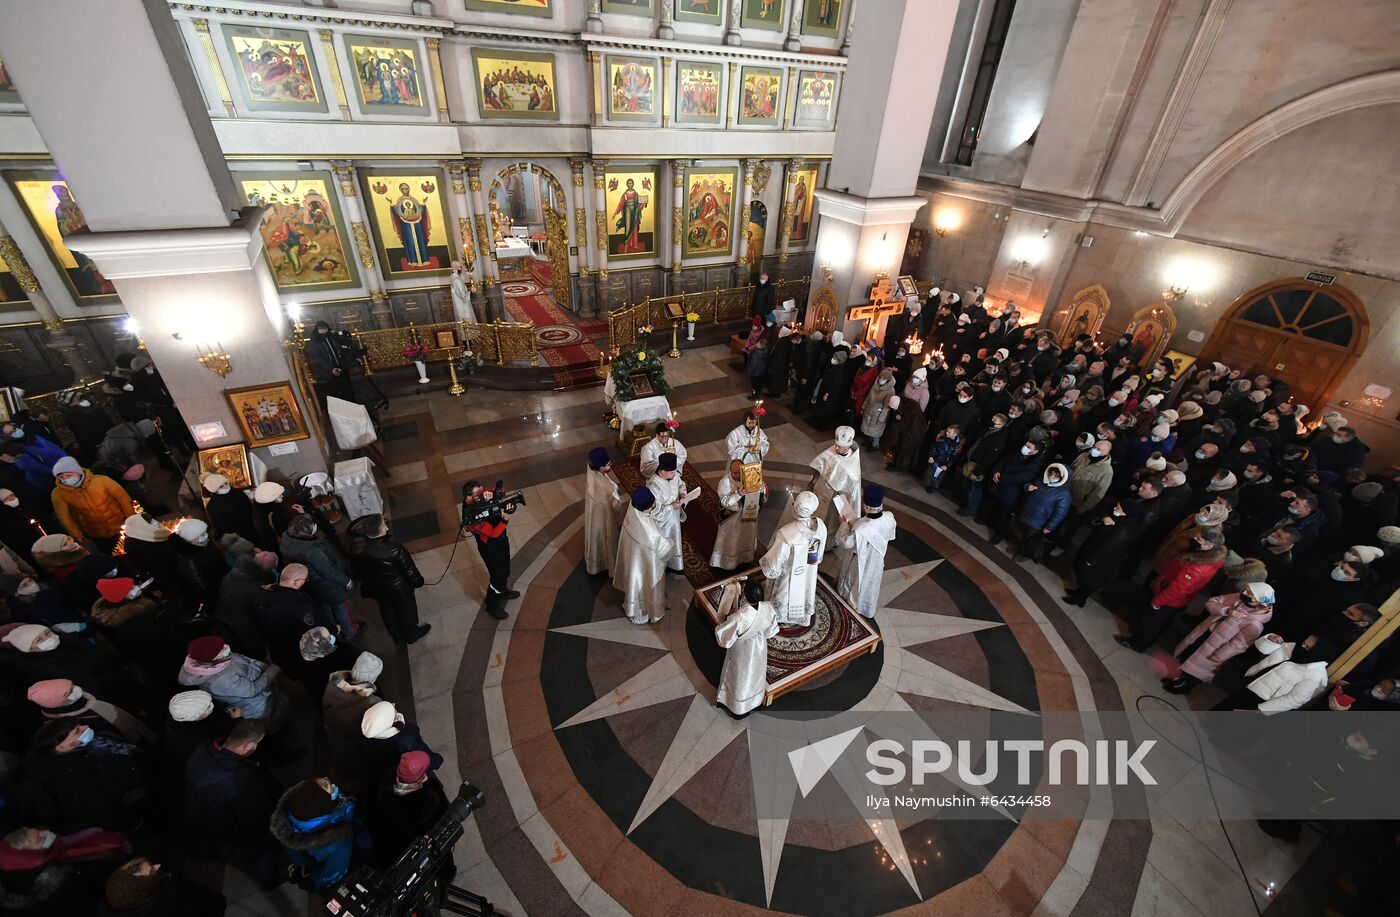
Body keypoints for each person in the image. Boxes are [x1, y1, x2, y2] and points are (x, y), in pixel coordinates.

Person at [180, 720, 281, 871]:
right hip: (234, 830)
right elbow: (253, 814)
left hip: (207, 822)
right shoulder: (238, 780)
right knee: (256, 853)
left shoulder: (203, 750)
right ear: (249, 746)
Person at [23, 719, 152, 832]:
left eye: (80, 725)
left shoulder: (90, 746)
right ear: (61, 747)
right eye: (77, 731)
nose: (85, 727)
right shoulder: (75, 781)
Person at [1118, 528, 1227, 652]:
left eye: (1198, 539)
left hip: (1169, 598)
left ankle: (1138, 644)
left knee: (1153, 623)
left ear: (1209, 545)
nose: (1194, 540)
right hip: (1172, 595)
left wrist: (1158, 601)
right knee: (1157, 622)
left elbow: (1178, 588)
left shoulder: (1199, 566)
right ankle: (1144, 637)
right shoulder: (1205, 557)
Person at [1162, 582, 1276, 694]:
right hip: (1204, 633)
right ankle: (1180, 677)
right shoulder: (1237, 597)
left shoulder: (1255, 624)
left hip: (1215, 649)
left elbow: (1239, 645)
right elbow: (1212, 602)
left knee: (1199, 669)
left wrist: (1220, 656)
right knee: (1190, 655)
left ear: (1259, 600)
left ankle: (1186, 687)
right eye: (1246, 589)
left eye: (1249, 593)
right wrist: (1226, 611)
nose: (1244, 592)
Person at [177, 636, 288, 731]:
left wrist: (265, 668)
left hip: (266, 688)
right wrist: (274, 668)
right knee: (272, 724)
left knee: (281, 710)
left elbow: (243, 659)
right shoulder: (220, 680)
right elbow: (252, 690)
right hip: (258, 705)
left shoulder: (219, 658)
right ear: (213, 658)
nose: (226, 648)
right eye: (221, 649)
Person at [348, 513, 428, 644]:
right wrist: (418, 581)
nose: (386, 527)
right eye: (384, 525)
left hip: (377, 589)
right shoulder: (393, 548)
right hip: (398, 588)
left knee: (387, 611)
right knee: (406, 611)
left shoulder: (356, 549)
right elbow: (408, 569)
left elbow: (357, 572)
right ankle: (411, 634)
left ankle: (397, 636)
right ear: (379, 531)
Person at [270, 777, 362, 890]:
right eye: (332, 791)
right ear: (324, 808)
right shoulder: (337, 837)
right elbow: (336, 870)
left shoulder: (291, 818)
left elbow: (293, 849)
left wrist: (299, 865)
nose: (334, 786)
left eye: (326, 780)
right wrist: (314, 881)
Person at [278, 512, 357, 638]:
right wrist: (346, 581)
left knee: (327, 608)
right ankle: (350, 631)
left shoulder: (290, 541)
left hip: (315, 585)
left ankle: (335, 631)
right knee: (342, 608)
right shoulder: (312, 551)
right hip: (330, 586)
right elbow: (329, 571)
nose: (315, 526)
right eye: (313, 525)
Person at [368, 751, 450, 871]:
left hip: (387, 851)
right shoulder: (429, 802)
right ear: (420, 776)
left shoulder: (385, 783)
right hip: (417, 853)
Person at [760, 491, 827, 626]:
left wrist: (767, 565)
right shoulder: (821, 527)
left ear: (794, 508)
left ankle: (781, 616)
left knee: (786, 590)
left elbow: (775, 563)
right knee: (804, 588)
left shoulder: (787, 533)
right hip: (809, 571)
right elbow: (818, 557)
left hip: (789, 573)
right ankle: (801, 616)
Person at [715, 577, 779, 717]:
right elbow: (771, 631)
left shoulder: (741, 617)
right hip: (759, 647)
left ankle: (737, 707)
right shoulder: (768, 608)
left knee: (739, 674)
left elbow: (724, 637)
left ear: (745, 595)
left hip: (742, 650)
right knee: (755, 673)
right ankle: (754, 700)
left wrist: (721, 626)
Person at [783, 426, 861, 539]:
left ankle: (826, 542)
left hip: (835, 498)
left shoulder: (852, 467)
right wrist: (813, 480)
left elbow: (852, 492)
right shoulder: (833, 450)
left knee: (829, 521)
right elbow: (820, 464)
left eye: (840, 446)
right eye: (836, 445)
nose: (837, 448)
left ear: (848, 445)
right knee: (812, 511)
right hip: (820, 488)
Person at [834, 484, 897, 618]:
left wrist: (844, 524)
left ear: (867, 507)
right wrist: (856, 522)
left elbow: (846, 542)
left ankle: (852, 603)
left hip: (860, 559)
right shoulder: (889, 517)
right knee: (870, 581)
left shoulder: (862, 530)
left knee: (856, 580)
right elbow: (889, 534)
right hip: (876, 559)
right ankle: (866, 606)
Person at [49, 457, 133, 553]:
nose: (65, 479)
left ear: (77, 471)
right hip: (96, 534)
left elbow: (124, 499)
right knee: (113, 554)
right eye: (61, 477)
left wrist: (132, 519)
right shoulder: (58, 494)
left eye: (68, 475)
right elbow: (64, 517)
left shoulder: (102, 481)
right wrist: (76, 534)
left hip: (122, 525)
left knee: (133, 551)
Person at [613, 487, 670, 625]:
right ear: (644, 508)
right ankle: (649, 612)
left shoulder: (632, 513)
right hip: (647, 563)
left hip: (634, 562)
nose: (652, 508)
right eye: (651, 507)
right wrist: (669, 543)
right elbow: (664, 549)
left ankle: (635, 611)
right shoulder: (647, 530)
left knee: (636, 585)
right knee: (646, 585)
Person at [462, 480, 517, 620]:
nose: (482, 496)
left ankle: (503, 592)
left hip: (501, 542)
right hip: (490, 548)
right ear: (468, 497)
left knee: (506, 569)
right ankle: (492, 605)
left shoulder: (478, 498)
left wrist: (494, 492)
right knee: (497, 578)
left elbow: (502, 490)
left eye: (482, 492)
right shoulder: (470, 518)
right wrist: (505, 519)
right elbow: (493, 533)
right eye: (478, 494)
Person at [1013, 462, 1071, 563]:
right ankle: (1021, 549)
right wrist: (1027, 487)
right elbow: (1028, 486)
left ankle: (1024, 554)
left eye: (1056, 476)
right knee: (1022, 534)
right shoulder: (1041, 481)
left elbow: (1059, 514)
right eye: (1051, 474)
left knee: (1030, 540)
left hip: (1039, 522)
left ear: (1063, 478)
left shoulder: (1064, 495)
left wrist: (1049, 527)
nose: (1052, 477)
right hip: (1027, 514)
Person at [711, 459, 763, 569]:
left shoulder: (750, 475)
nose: (738, 475)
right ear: (730, 470)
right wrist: (738, 494)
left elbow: (761, 489)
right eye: (735, 473)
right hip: (732, 518)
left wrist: (760, 487)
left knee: (747, 537)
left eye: (740, 472)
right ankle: (728, 563)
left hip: (748, 515)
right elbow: (724, 503)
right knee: (732, 541)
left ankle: (746, 558)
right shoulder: (725, 482)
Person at [583, 447, 626, 576]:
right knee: (607, 539)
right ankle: (607, 565)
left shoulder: (591, 471)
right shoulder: (607, 488)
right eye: (608, 464)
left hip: (594, 515)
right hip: (606, 517)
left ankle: (594, 564)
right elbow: (617, 506)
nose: (610, 464)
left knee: (595, 538)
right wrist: (621, 519)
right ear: (601, 468)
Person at [305, 320, 364, 406]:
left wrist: (350, 359)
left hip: (342, 367)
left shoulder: (333, 337)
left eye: (325, 329)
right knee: (335, 392)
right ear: (317, 330)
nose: (324, 332)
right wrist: (331, 369)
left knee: (348, 389)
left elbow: (342, 348)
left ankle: (352, 406)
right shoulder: (314, 343)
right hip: (328, 372)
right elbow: (318, 359)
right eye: (322, 330)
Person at [646, 452, 687, 574]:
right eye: (672, 472)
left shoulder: (673, 475)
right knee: (663, 544)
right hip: (662, 522)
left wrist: (682, 492)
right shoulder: (653, 487)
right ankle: (660, 566)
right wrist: (671, 507)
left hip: (673, 518)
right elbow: (654, 512)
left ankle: (675, 565)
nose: (675, 475)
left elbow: (681, 484)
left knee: (675, 538)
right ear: (662, 471)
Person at [202, 473, 259, 544]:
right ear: (214, 489)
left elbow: (249, 507)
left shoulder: (238, 492)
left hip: (250, 527)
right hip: (236, 537)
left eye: (226, 483)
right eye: (221, 486)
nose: (226, 486)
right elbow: (220, 525)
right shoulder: (213, 506)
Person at [744, 333, 769, 399]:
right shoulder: (765, 351)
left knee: (754, 385)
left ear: (760, 345)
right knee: (759, 384)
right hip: (761, 371)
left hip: (755, 372)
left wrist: (749, 371)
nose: (756, 344)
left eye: (758, 343)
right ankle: (757, 394)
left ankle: (754, 396)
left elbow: (753, 363)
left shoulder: (756, 353)